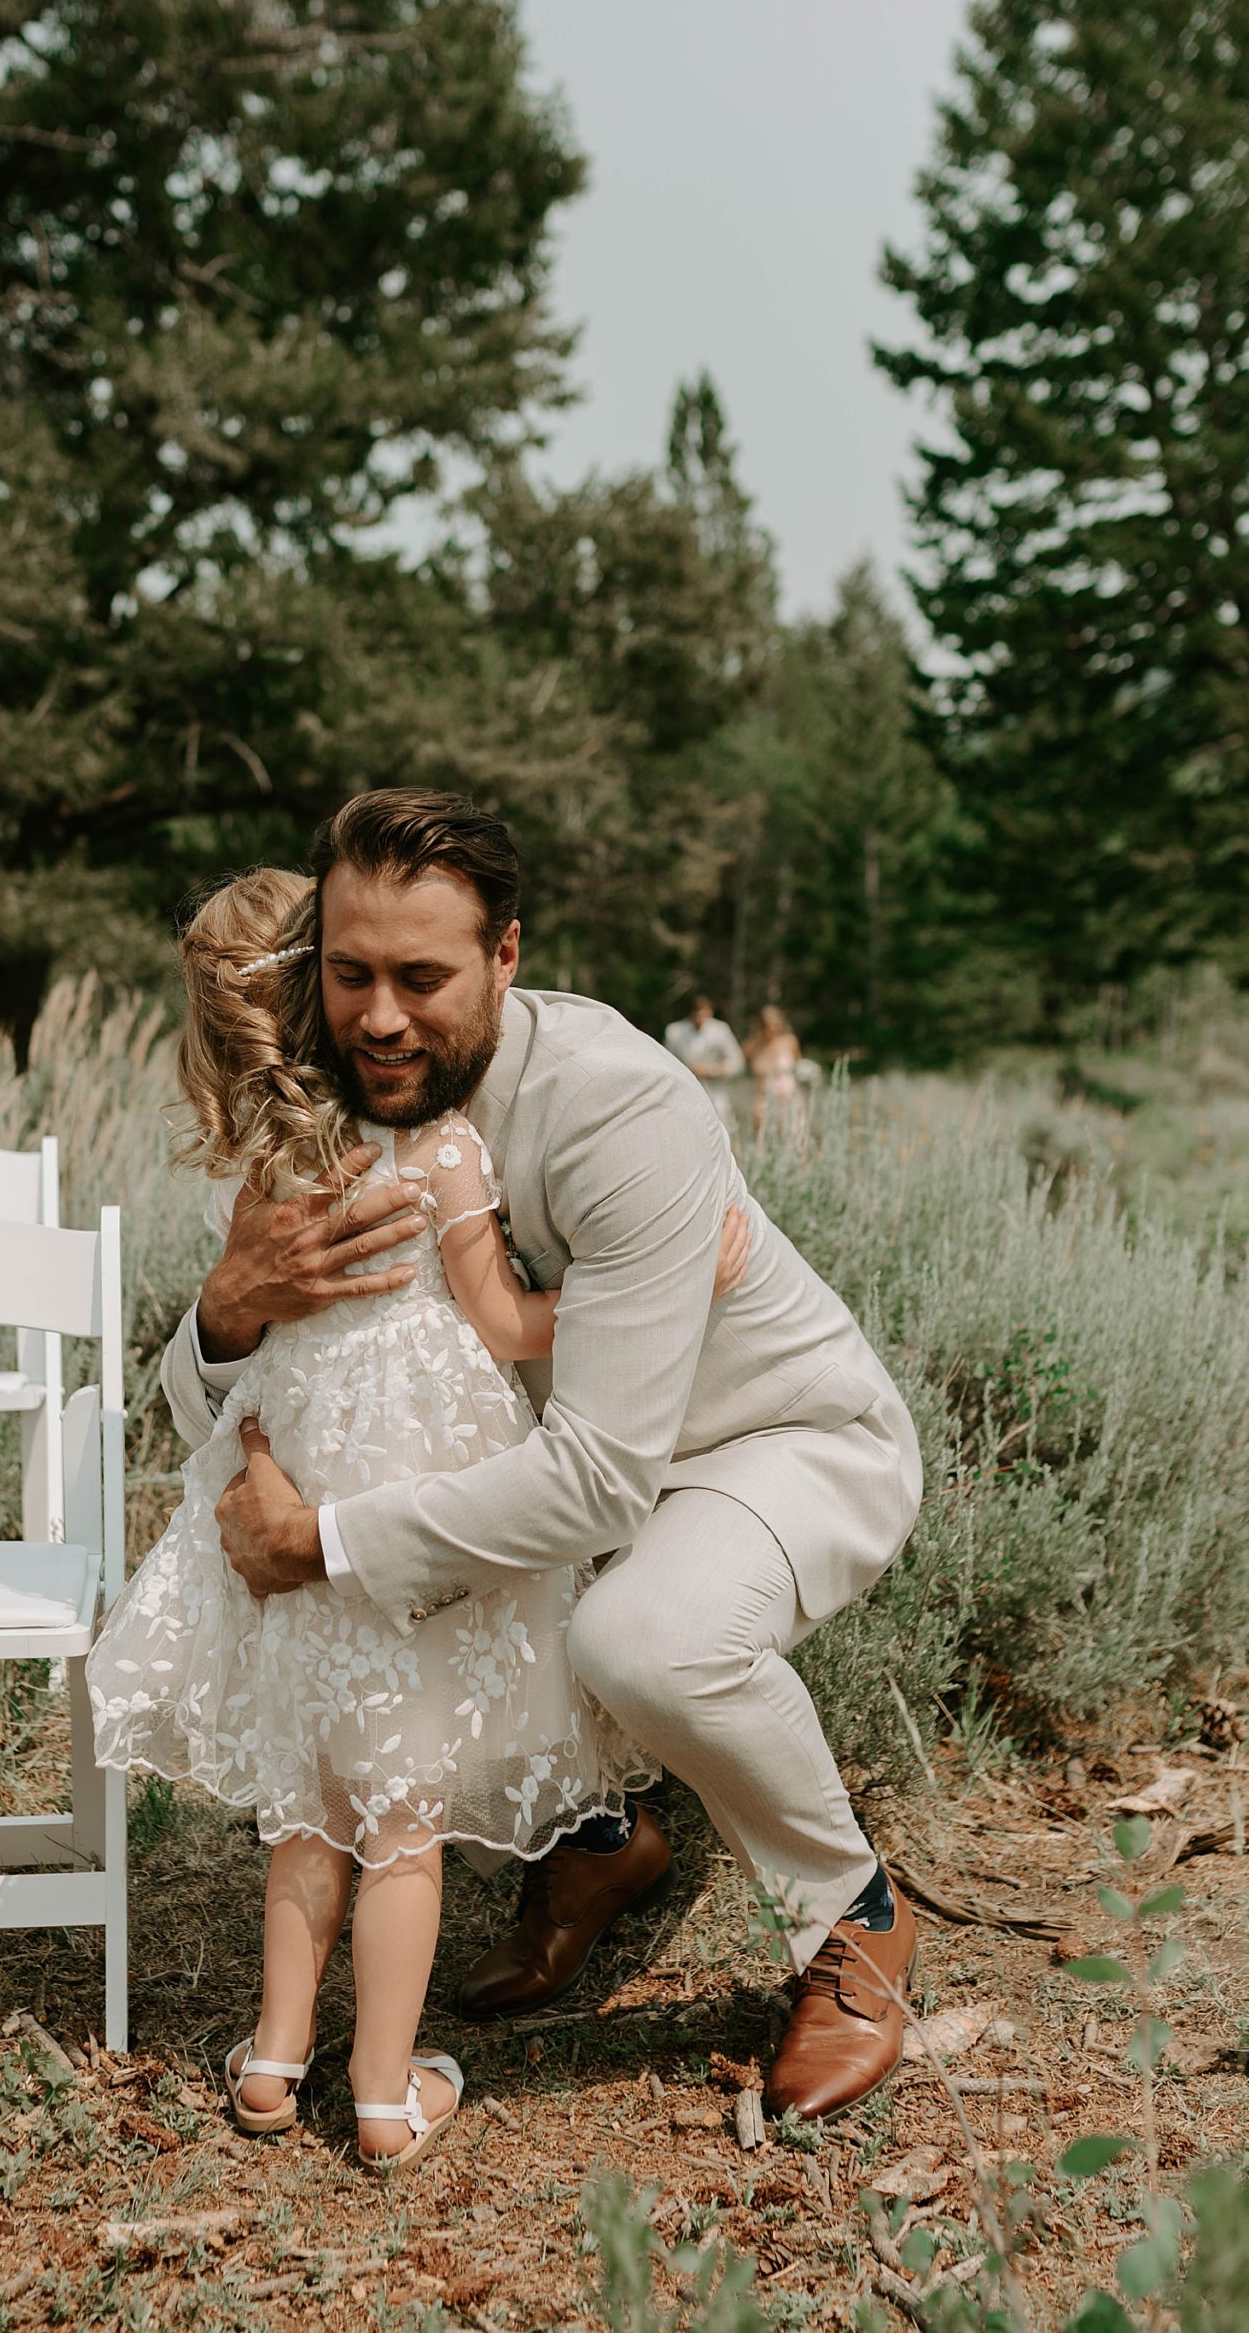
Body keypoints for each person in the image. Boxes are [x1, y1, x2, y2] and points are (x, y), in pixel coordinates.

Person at [174, 789, 925, 2123]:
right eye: (349, 977)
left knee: (641, 1640)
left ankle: (848, 1926)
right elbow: (244, 1395)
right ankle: (595, 1838)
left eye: (423, 978)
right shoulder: (329, 1108)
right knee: (449, 1615)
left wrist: (323, 1543)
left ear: (504, 957)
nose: (382, 1017)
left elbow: (594, 1480)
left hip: (756, 1444)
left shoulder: (616, 1110)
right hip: (548, 1469)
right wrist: (231, 1310)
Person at [88, 866, 720, 2171]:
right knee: (403, 1829)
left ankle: (270, 2065)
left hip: (301, 1477)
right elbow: (498, 1323)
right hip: (415, 1485)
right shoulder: (436, 1142)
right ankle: (382, 2095)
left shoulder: (248, 1169)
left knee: (307, 1815)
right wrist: (649, 1292)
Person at [663, 993, 745, 1129]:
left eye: (703, 1009)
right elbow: (666, 1061)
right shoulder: (674, 1032)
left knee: (721, 1127)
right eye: (696, 1010)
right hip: (684, 1091)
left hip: (716, 1092)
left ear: (710, 1011)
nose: (699, 1014)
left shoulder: (720, 1030)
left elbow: (737, 1062)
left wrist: (712, 1070)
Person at [746, 1004, 803, 1143]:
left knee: (794, 1142)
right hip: (763, 1100)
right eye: (767, 1026)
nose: (771, 1029)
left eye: (775, 1025)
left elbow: (798, 1064)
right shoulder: (752, 1045)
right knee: (762, 1142)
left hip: (789, 1100)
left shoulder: (790, 1041)